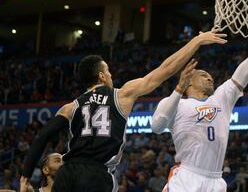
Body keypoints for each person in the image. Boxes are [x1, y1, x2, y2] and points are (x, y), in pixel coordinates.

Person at [20, 30, 227, 192]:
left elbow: (43, 137)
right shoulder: (122, 95)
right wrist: (197, 41)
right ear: (101, 76)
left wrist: (25, 176)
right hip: (96, 175)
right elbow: (166, 69)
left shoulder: (70, 107)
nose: (110, 75)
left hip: (68, 173)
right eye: (108, 71)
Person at [151, 0, 248, 192]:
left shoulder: (221, 98)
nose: (210, 78)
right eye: (203, 75)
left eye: (210, 76)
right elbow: (157, 126)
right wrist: (178, 89)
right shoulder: (174, 102)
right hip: (187, 177)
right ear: (188, 82)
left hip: (216, 181)